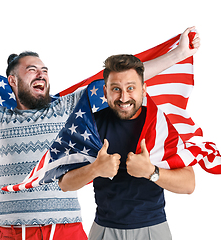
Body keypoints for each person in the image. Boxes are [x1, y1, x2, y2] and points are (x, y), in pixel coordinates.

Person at [0, 27, 200, 240]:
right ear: (12, 80)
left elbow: (124, 81)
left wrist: (178, 54)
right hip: (9, 231)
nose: (41, 74)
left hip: (63, 229)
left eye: (44, 70)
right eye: (31, 69)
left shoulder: (68, 108)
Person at [57, 54, 195, 240]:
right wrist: (95, 169)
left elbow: (189, 184)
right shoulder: (91, 126)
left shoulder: (160, 123)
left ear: (144, 89)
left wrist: (151, 172)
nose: (123, 97)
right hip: (104, 230)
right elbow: (65, 184)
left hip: (153, 229)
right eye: (116, 89)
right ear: (105, 91)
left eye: (131, 88)